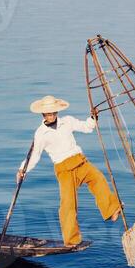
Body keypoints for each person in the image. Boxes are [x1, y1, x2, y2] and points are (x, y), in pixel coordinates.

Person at [17, 94, 120, 247]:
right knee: (68, 204)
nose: (51, 115)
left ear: (57, 112)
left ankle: (112, 209)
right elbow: (34, 155)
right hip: (63, 169)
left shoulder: (68, 121)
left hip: (79, 161)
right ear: (43, 114)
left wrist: (93, 118)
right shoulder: (40, 133)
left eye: (53, 112)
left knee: (98, 179)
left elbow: (86, 127)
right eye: (48, 113)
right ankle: (72, 240)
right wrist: (22, 170)